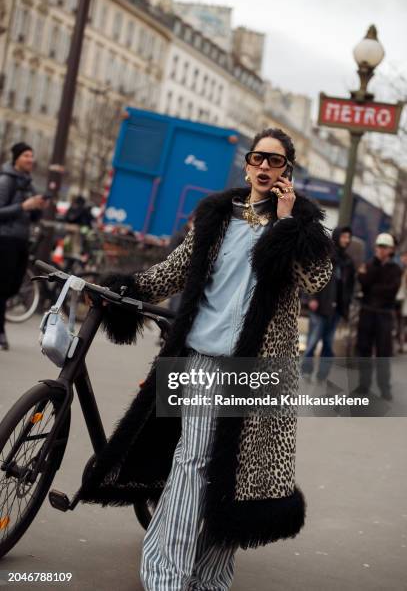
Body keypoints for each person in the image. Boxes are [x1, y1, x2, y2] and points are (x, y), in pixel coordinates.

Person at [80, 128, 333, 590]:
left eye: (274, 162)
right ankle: (166, 572)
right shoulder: (217, 215)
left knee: (234, 471)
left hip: (256, 369)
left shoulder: (301, 227)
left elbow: (315, 279)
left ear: (286, 172)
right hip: (200, 356)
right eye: (258, 158)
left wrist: (288, 222)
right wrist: (126, 288)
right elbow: (176, 270)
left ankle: (211, 574)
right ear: (247, 164)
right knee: (193, 459)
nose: (264, 167)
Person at [0, 142, 48, 350]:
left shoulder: (29, 183)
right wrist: (23, 206)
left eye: (32, 155)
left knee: (14, 286)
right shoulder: (6, 180)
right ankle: (1, 332)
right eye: (26, 155)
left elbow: (32, 216)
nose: (31, 159)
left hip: (21, 239)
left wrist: (38, 208)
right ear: (16, 158)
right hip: (5, 239)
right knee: (3, 286)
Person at [302, 226, 355, 382]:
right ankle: (306, 371)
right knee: (312, 342)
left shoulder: (348, 262)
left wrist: (346, 305)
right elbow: (311, 275)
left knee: (328, 344)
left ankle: (322, 375)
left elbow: (351, 286)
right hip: (320, 306)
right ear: (337, 236)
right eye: (344, 236)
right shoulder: (325, 255)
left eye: (348, 237)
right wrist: (311, 298)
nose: (346, 240)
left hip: (337, 310)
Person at [355, 233, 402, 400]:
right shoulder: (370, 264)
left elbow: (390, 291)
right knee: (363, 350)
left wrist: (372, 286)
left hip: (383, 315)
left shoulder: (395, 269)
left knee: (383, 353)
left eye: (383, 247)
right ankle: (363, 385)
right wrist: (374, 268)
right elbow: (364, 281)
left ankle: (385, 388)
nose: (380, 250)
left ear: (390, 250)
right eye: (378, 246)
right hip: (367, 312)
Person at [395, 251, 407, 353]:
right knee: (399, 322)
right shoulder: (398, 268)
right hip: (398, 299)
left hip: (403, 300)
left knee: (402, 323)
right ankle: (400, 343)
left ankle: (402, 344)